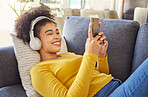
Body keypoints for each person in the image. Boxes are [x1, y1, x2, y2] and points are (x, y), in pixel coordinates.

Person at [14, 5, 148, 97]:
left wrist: (101, 56)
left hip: (116, 86)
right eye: (49, 34)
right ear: (35, 41)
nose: (57, 37)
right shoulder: (38, 71)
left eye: (57, 32)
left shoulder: (67, 55)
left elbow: (99, 77)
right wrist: (89, 55)